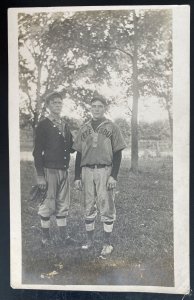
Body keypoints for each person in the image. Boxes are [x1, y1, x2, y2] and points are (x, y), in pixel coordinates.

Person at [73, 94, 126, 258]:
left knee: (106, 205)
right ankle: (89, 242)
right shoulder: (84, 127)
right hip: (87, 171)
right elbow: (79, 154)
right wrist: (77, 176)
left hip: (105, 170)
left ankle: (107, 243)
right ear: (90, 108)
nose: (96, 109)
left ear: (105, 108)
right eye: (93, 106)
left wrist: (113, 176)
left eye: (100, 106)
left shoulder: (112, 127)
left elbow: (118, 153)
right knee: (88, 205)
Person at [33, 91, 76, 246]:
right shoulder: (43, 125)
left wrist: (84, 140)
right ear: (48, 105)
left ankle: (64, 237)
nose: (58, 105)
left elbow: (71, 148)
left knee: (63, 203)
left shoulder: (65, 124)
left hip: (64, 169)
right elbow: (37, 152)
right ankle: (46, 237)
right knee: (48, 203)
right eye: (54, 103)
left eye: (60, 102)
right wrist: (40, 176)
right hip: (49, 169)